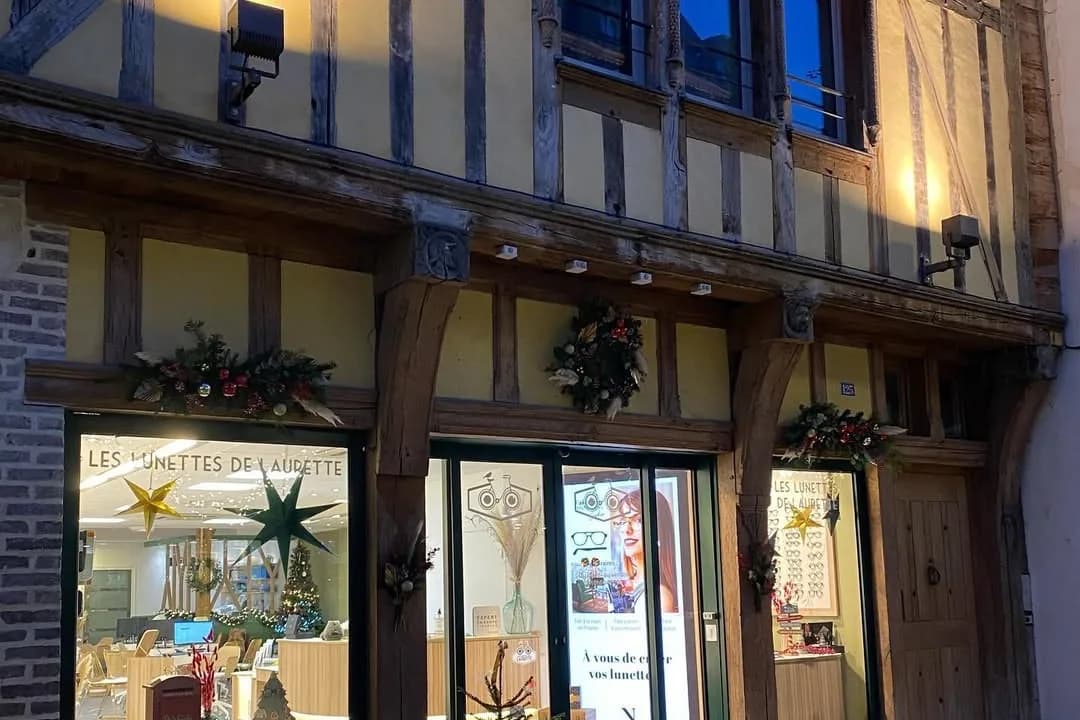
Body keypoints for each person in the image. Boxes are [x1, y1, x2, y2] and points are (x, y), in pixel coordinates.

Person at [611, 488, 679, 613]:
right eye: (622, 521)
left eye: (638, 520)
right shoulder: (628, 583)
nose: (626, 529)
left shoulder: (659, 596)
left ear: (659, 529)